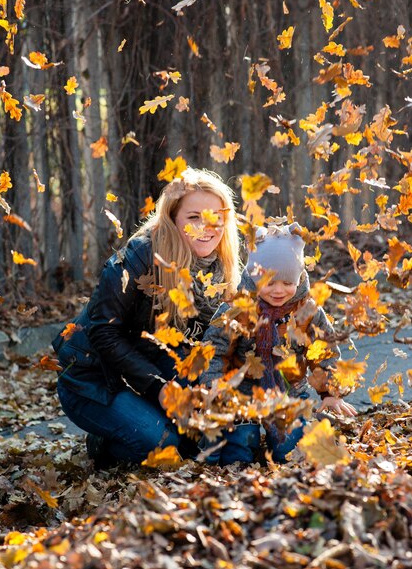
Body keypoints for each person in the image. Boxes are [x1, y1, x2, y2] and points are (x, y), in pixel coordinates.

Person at [52, 167, 241, 467]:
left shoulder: (220, 267)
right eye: (194, 217)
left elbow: (209, 342)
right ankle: (104, 440)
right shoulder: (140, 255)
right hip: (93, 377)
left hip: (147, 366)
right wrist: (159, 388)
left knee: (200, 440)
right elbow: (103, 332)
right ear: (173, 218)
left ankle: (138, 420)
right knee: (164, 446)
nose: (207, 226)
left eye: (216, 216)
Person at [199, 223, 357, 466]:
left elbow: (323, 350)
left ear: (299, 277)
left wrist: (330, 393)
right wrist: (213, 385)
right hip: (243, 392)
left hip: (289, 390)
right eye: (269, 282)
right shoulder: (237, 309)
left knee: (289, 451)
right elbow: (215, 349)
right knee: (238, 449)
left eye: (287, 282)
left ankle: (285, 445)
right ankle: (236, 457)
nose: (278, 290)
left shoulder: (307, 310)